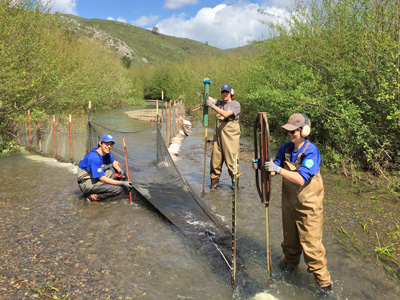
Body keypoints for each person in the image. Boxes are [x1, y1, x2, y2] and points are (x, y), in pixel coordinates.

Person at [264, 113, 332, 292]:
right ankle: (289, 275)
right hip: (289, 205)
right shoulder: (285, 148)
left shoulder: (311, 151)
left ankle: (325, 287)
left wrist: (277, 169)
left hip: (309, 207)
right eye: (289, 131)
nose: (290, 134)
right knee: (289, 245)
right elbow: (274, 168)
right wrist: (265, 166)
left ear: (304, 131)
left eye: (294, 131)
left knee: (312, 250)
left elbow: (301, 179)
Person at [77, 134, 133, 201]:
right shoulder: (94, 157)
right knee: (117, 189)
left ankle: (120, 187)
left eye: (111, 144)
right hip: (86, 183)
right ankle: (93, 197)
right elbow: (102, 179)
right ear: (100, 143)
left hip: (95, 177)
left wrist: (120, 171)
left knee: (120, 168)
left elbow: (114, 162)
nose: (109, 146)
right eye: (106, 144)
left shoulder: (105, 152)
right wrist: (122, 183)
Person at [206, 83, 241, 190]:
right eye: (223, 92)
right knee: (215, 162)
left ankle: (235, 189)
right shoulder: (220, 103)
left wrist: (212, 106)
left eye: (227, 92)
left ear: (231, 93)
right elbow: (210, 99)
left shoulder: (235, 104)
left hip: (230, 138)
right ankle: (213, 188)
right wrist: (206, 88)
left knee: (232, 162)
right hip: (218, 138)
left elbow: (226, 114)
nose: (225, 94)